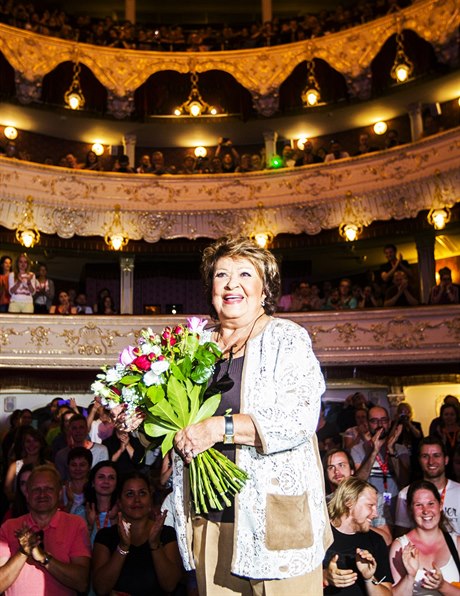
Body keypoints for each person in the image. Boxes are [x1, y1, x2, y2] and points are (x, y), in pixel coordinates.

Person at [172, 236, 332, 594]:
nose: (231, 284)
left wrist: (219, 428)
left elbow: (299, 417)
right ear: (210, 289)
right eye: (221, 275)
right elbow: (177, 423)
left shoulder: (287, 338)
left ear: (264, 290)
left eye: (245, 274)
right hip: (210, 517)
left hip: (273, 521)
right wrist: (138, 421)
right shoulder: (193, 347)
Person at [0, 465, 91, 595]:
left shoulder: (76, 524)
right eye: (36, 489)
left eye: (48, 489)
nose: (42, 494)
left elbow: (82, 583)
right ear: (27, 493)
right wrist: (22, 553)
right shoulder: (9, 527)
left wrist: (44, 558)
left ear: (59, 492)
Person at [92, 471, 183, 595]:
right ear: (119, 502)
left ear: (150, 499)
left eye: (142, 493)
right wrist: (123, 547)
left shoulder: (166, 534)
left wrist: (155, 545)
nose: (137, 500)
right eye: (130, 494)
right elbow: (101, 589)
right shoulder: (106, 536)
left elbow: (170, 585)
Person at [323, 477, 393, 594]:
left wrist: (369, 578)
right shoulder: (319, 535)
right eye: (370, 506)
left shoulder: (375, 541)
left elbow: (388, 593)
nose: (375, 514)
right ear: (349, 502)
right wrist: (325, 577)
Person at [389, 480, 460, 594]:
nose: (426, 511)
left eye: (431, 503)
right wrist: (410, 576)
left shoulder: (456, 543)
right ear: (410, 509)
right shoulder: (400, 546)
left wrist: (442, 586)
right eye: (418, 505)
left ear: (440, 505)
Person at [351, 406, 410, 528]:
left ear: (389, 423)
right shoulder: (357, 450)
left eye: (383, 420)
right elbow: (357, 483)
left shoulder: (400, 449)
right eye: (374, 421)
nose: (379, 424)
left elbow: (404, 481)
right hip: (370, 511)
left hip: (396, 507)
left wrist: (391, 450)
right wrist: (373, 451)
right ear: (367, 424)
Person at [324, 449, 392, 545]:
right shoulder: (324, 503)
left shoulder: (373, 498)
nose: (337, 471)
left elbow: (387, 539)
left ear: (352, 470)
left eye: (341, 465)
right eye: (331, 467)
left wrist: (357, 523)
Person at [395, 437, 460, 536]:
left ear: (446, 460)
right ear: (419, 460)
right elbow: (400, 536)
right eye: (425, 456)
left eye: (436, 456)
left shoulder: (458, 491)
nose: (431, 461)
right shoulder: (405, 494)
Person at [74, 460, 119, 544]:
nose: (106, 481)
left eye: (111, 477)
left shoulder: (123, 511)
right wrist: (90, 526)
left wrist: (114, 521)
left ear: (116, 484)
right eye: (101, 477)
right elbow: (75, 546)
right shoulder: (81, 512)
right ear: (93, 483)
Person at [55, 414, 109, 481]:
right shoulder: (61, 455)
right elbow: (61, 480)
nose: (78, 431)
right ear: (70, 431)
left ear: (87, 429)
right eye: (74, 428)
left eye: (81, 427)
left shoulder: (101, 450)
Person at [3, 427, 49, 502]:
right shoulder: (14, 466)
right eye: (28, 441)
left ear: (41, 444)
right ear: (23, 445)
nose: (32, 444)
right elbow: (8, 491)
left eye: (35, 441)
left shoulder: (49, 466)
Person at [61, 447, 92, 514]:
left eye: (82, 465)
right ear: (68, 466)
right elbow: (59, 519)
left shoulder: (95, 489)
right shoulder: (62, 491)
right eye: (73, 465)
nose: (78, 468)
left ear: (89, 467)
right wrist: (70, 503)